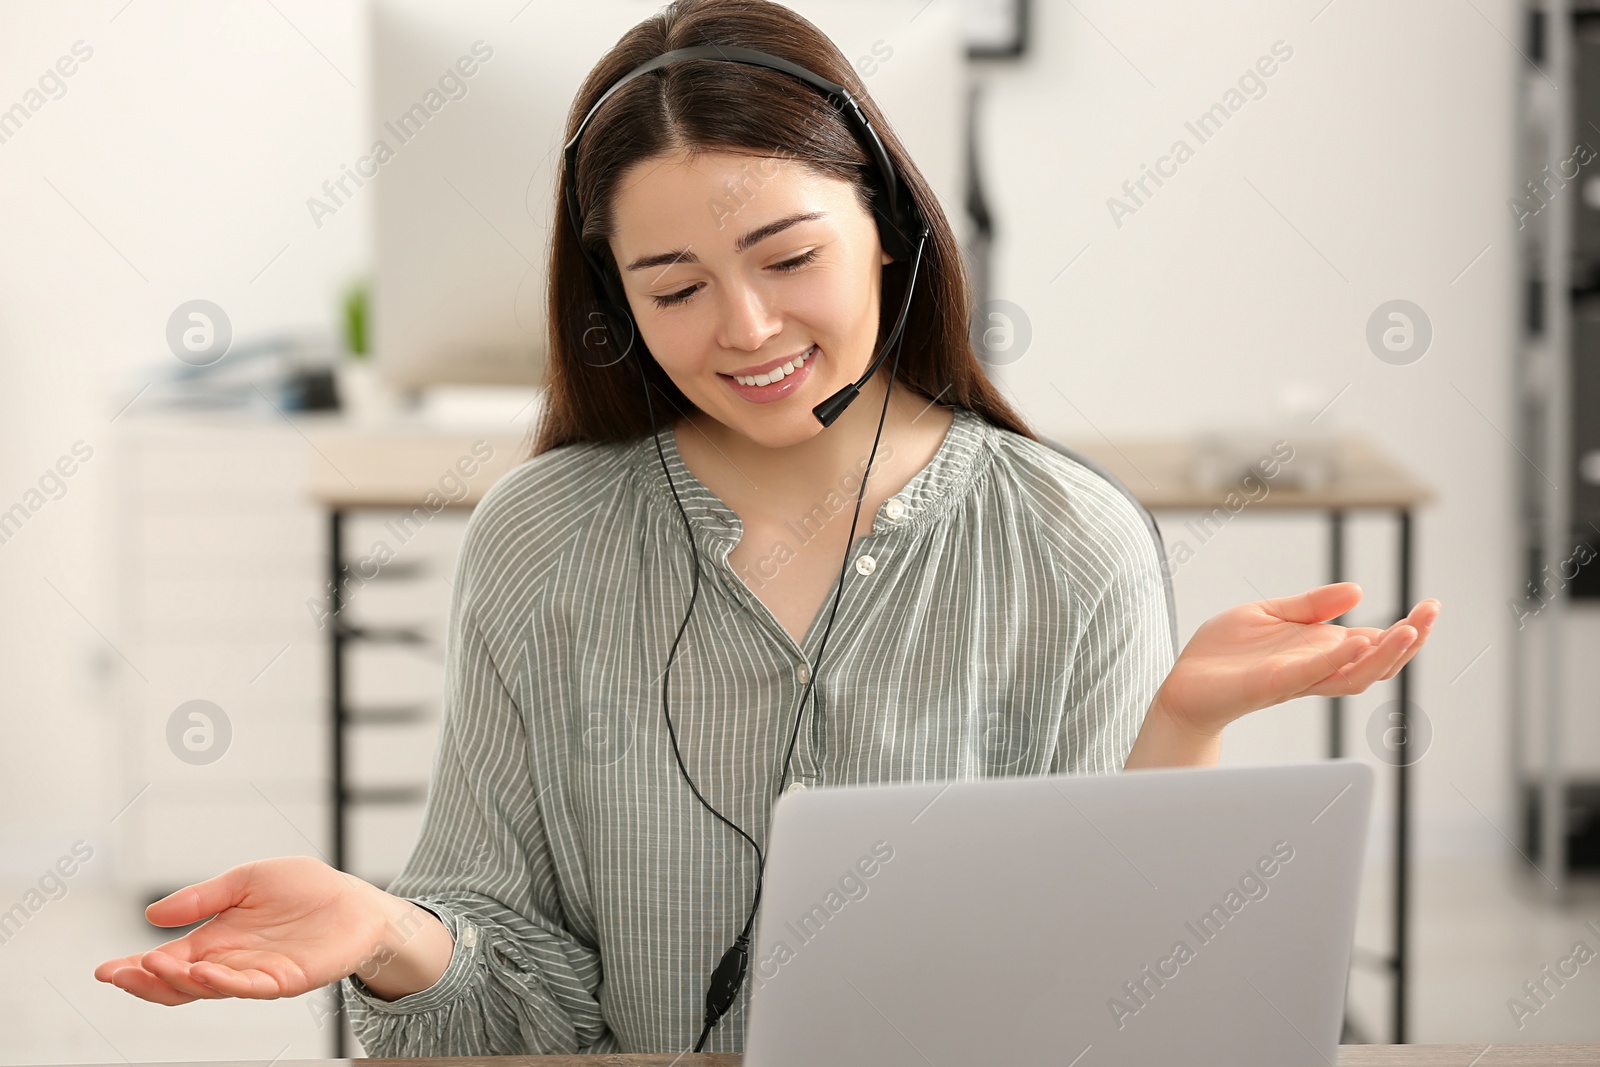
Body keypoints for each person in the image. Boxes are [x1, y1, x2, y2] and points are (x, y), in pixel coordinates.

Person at [93, 0, 1440, 1055]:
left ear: (889, 230)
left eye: (790, 259)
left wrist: (1181, 732)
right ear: (612, 300)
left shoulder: (1063, 540)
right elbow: (521, 1009)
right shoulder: (544, 540)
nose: (744, 330)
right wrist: (390, 929)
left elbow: (1120, 997)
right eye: (673, 287)